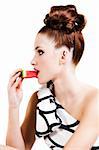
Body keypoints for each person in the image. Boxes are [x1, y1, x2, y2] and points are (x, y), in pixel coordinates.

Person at [6, 4, 99, 150]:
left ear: (63, 55)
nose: (32, 61)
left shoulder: (95, 100)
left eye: (40, 52)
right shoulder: (39, 99)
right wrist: (13, 106)